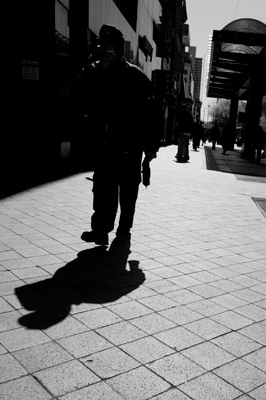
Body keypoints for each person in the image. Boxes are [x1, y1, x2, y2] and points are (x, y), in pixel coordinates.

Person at [74, 24, 162, 246]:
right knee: (103, 187)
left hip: (130, 144)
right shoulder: (93, 71)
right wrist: (98, 69)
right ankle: (101, 230)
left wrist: (151, 147)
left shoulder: (136, 76)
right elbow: (79, 95)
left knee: (129, 189)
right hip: (104, 143)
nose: (109, 52)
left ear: (121, 49)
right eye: (105, 47)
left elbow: (152, 114)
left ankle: (124, 227)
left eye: (113, 47)